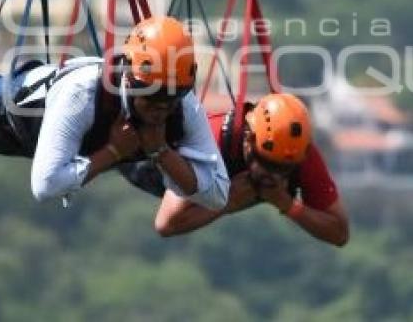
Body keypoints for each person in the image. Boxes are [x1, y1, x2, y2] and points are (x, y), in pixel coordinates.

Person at [0, 16, 229, 210]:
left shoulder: (183, 104)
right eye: (151, 98)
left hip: (69, 131)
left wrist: (160, 150)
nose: (161, 109)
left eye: (171, 99)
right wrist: (114, 152)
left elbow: (218, 194)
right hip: (20, 113)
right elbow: (45, 186)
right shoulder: (81, 95)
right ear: (128, 80)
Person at [122, 93, 349, 246]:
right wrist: (227, 201)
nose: (272, 175)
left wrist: (289, 205)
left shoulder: (298, 152)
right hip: (142, 162)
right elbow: (165, 223)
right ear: (249, 141)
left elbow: (339, 233)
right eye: (267, 164)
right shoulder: (213, 142)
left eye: (283, 169)